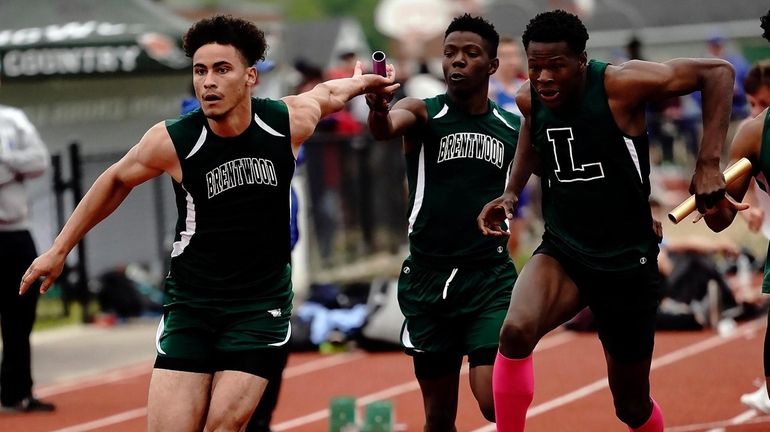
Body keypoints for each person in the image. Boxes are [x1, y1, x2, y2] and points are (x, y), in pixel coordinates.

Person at [18, 14, 396, 432]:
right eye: (200, 71)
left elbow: (328, 93)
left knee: (222, 427)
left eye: (221, 69)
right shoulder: (174, 139)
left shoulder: (286, 120)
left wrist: (364, 83)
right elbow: (114, 181)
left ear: (250, 76)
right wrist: (58, 250)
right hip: (192, 306)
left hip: (259, 307)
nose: (208, 82)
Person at [477, 9, 734, 432]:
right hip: (564, 250)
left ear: (581, 61)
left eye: (555, 66)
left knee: (630, 406)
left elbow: (718, 74)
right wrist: (510, 192)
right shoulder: (530, 97)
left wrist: (708, 163)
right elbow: (530, 127)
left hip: (626, 262)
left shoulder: (620, 84)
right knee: (516, 331)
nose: (542, 78)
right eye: (534, 65)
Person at [366, 14, 520, 430]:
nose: (456, 61)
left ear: (491, 65)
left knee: (492, 400)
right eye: (450, 53)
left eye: (471, 54)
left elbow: (556, 176)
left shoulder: (512, 128)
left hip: (487, 277)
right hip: (428, 280)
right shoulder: (421, 112)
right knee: (438, 417)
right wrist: (378, 108)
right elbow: (384, 129)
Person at [704, 12, 770, 414]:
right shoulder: (754, 133)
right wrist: (717, 202)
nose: (755, 109)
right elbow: (722, 214)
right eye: (752, 103)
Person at [0, 82, 55, 413]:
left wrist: (5, 159)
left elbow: (38, 161)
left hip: (14, 231)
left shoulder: (12, 119)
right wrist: (12, 168)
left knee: (20, 316)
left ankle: (16, 392)